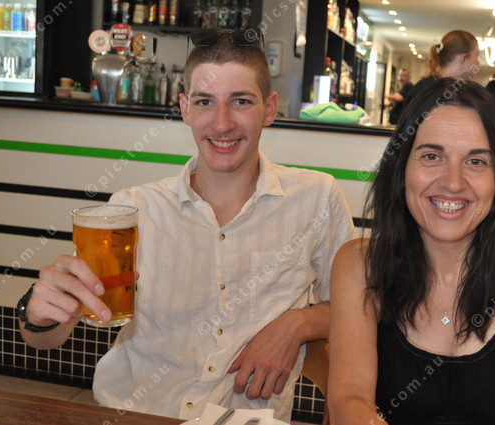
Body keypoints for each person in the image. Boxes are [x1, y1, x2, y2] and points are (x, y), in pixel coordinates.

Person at [18, 29, 354, 422]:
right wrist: (39, 315)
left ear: (269, 108)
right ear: (185, 109)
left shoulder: (316, 197)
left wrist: (296, 325)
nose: (222, 123)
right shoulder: (134, 209)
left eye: (241, 101)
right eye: (205, 102)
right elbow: (45, 338)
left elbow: (357, 309)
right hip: (135, 412)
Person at [328, 78, 495, 425]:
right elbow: (349, 399)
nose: (452, 182)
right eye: (432, 156)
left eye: (476, 161)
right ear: (401, 169)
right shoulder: (359, 265)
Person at [403, 30, 479, 110]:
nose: (478, 62)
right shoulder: (432, 91)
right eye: (476, 55)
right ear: (463, 58)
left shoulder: (446, 88)